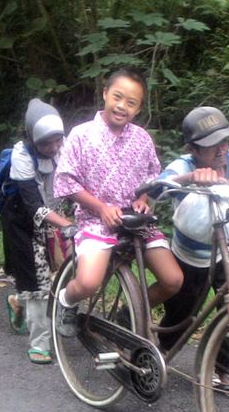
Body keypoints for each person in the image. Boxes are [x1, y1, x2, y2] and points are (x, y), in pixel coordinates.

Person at [53, 68, 183, 322]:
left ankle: (127, 314)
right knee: (88, 283)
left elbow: (150, 179)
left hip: (135, 222)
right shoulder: (82, 135)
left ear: (138, 108)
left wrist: (142, 200)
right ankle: (65, 301)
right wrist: (101, 208)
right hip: (96, 221)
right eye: (117, 97)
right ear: (105, 94)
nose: (122, 106)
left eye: (131, 103)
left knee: (173, 280)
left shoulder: (142, 139)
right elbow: (65, 181)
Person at [153, 106, 229, 400]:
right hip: (190, 254)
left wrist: (228, 188)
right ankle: (161, 350)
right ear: (193, 149)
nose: (221, 149)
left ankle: (220, 370)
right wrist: (190, 178)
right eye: (211, 145)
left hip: (228, 245)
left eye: (225, 141)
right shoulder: (183, 165)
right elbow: (156, 188)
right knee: (182, 312)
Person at [1, 98, 74, 364]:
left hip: (55, 218)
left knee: (70, 269)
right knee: (37, 284)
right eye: (46, 143)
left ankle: (17, 303)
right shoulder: (22, 155)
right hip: (23, 223)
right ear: (32, 138)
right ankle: (40, 343)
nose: (53, 147)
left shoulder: (63, 148)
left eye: (57, 140)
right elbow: (33, 206)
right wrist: (65, 224)